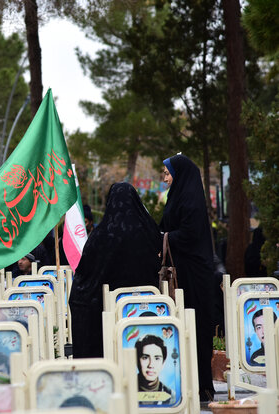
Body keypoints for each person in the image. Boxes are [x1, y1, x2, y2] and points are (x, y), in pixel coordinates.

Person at [70, 182, 162, 359]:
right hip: (147, 303)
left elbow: (85, 270)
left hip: (106, 307)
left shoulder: (103, 233)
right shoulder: (149, 230)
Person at [159, 154, 215, 402]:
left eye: (168, 173)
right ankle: (183, 384)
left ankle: (203, 385)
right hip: (181, 275)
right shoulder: (178, 197)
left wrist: (165, 236)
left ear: (180, 175)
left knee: (197, 327)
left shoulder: (191, 202)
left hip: (194, 276)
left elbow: (190, 234)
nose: (165, 177)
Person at [135, 335, 176, 405]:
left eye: (157, 358)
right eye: (145, 357)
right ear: (136, 360)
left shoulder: (172, 396)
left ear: (163, 363)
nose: (151, 365)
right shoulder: (124, 391)